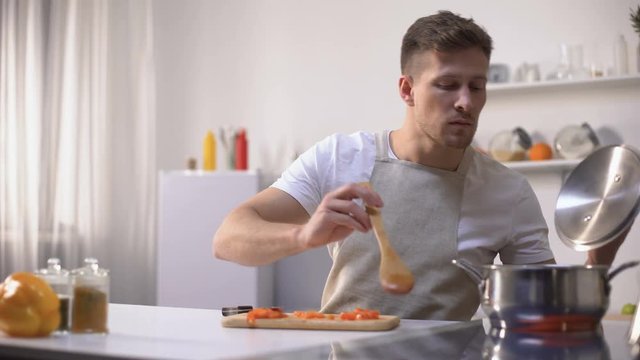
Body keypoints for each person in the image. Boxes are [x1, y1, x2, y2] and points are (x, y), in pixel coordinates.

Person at [213, 10, 624, 320]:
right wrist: (303, 236)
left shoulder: (508, 191)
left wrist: (598, 256)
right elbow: (228, 239)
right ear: (407, 89)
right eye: (447, 85)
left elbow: (548, 311)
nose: (466, 101)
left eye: (477, 86)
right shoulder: (341, 156)